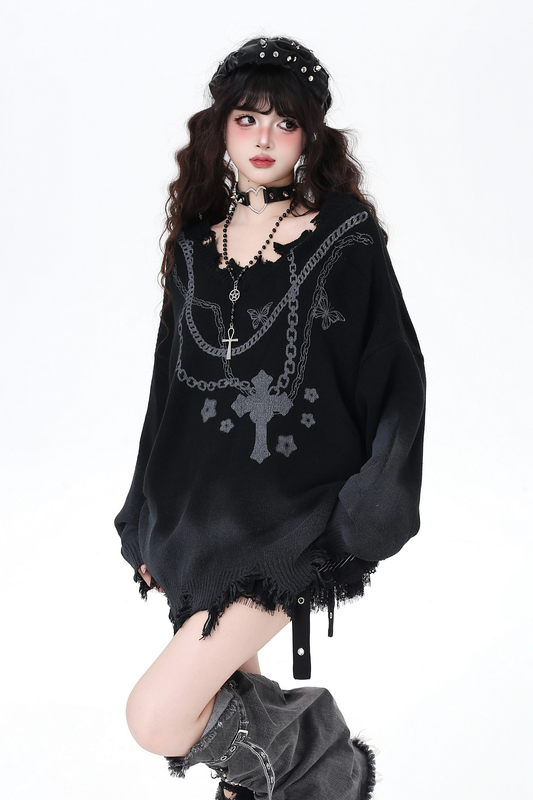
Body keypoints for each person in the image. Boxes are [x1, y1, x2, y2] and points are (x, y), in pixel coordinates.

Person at [114, 36, 425, 800]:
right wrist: (141, 519)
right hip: (194, 526)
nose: (263, 137)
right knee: (238, 751)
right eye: (248, 118)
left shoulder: (343, 235)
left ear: (309, 133)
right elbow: (166, 395)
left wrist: (367, 511)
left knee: (157, 717)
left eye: (284, 122)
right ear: (220, 126)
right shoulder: (194, 246)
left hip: (291, 525)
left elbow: (395, 376)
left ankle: (325, 751)